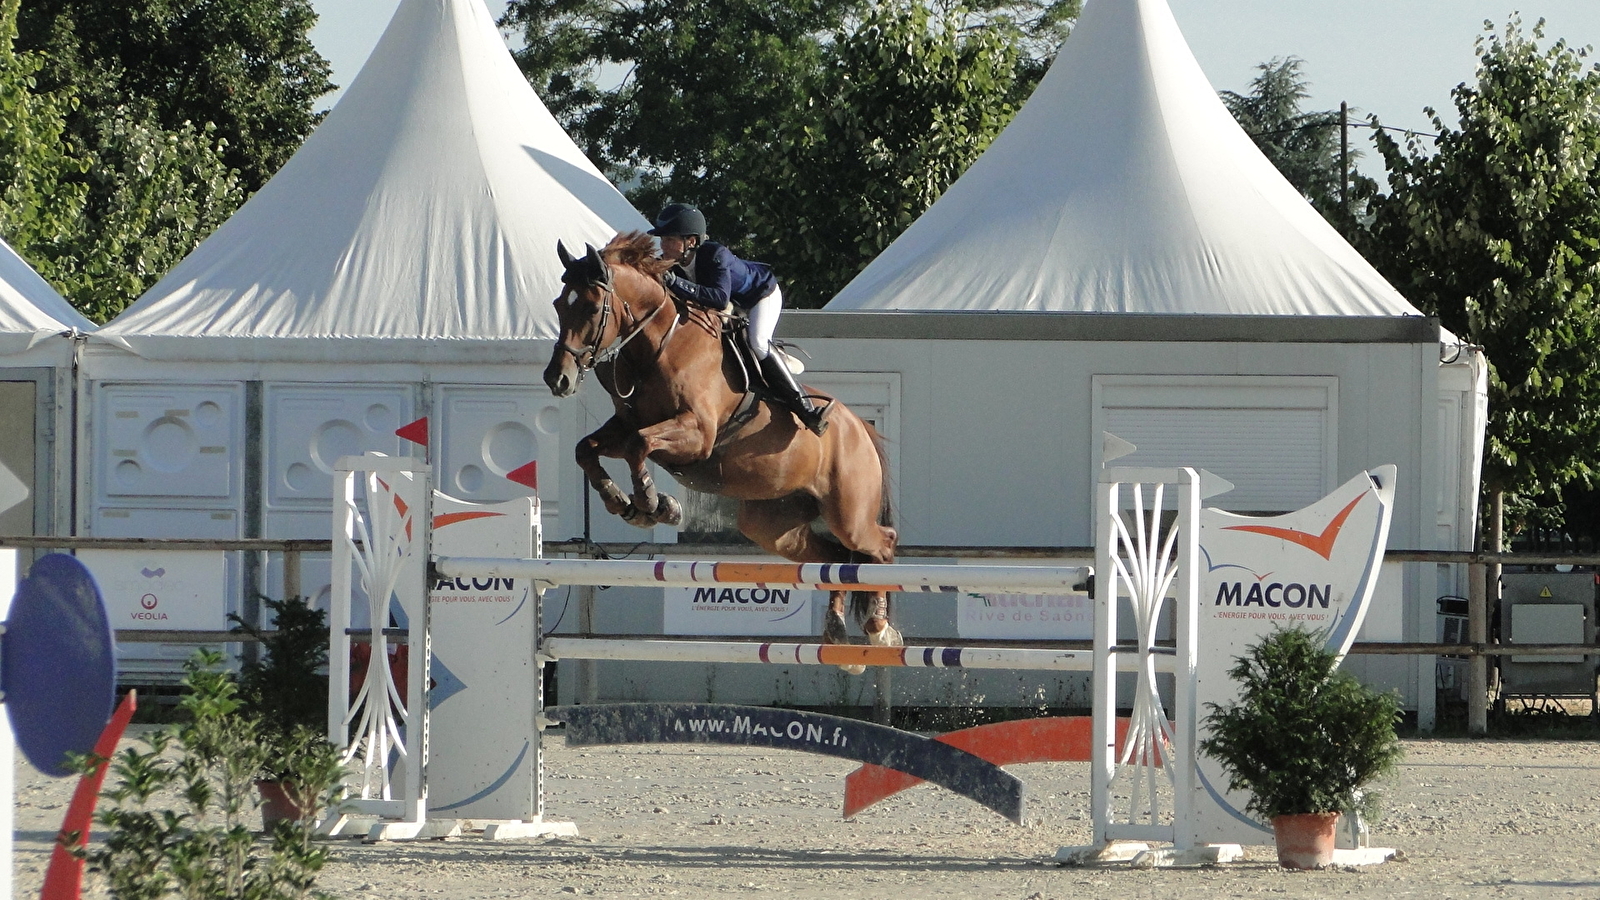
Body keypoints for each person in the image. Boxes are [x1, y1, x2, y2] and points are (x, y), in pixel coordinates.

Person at [649, 203, 832, 435]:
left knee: (757, 341)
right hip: (730, 305)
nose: (663, 245)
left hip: (759, 296)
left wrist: (675, 282)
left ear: (691, 242)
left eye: (669, 239)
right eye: (662, 239)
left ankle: (805, 408)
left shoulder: (715, 255)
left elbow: (717, 297)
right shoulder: (672, 264)